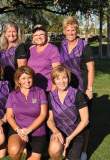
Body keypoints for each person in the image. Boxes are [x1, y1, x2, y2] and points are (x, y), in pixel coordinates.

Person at [60, 16, 95, 160]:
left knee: (83, 121)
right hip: (67, 88)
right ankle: (68, 146)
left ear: (76, 30)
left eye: (73, 30)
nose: (70, 33)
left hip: (82, 88)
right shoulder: (62, 45)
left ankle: (83, 151)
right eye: (68, 30)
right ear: (64, 31)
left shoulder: (84, 46)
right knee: (69, 119)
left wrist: (90, 88)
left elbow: (91, 69)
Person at [47, 65, 89, 160]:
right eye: (58, 79)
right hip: (59, 132)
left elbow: (85, 121)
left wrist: (69, 138)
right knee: (54, 149)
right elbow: (49, 119)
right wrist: (55, 131)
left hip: (75, 135)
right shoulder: (51, 96)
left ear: (68, 79)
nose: (61, 81)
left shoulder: (78, 94)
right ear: (54, 81)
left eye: (64, 78)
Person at [6, 66, 48, 160]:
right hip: (18, 131)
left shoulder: (40, 92)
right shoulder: (12, 95)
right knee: (14, 150)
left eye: (29, 77)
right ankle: (22, 147)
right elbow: (9, 116)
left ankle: (29, 150)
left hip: (37, 132)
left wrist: (28, 130)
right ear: (18, 80)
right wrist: (19, 130)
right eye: (24, 78)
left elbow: (43, 114)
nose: (27, 81)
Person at [27, 24, 61, 92]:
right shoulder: (31, 50)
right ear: (33, 37)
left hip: (48, 90)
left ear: (46, 35)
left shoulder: (53, 49)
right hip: (33, 89)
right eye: (36, 35)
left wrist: (53, 92)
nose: (39, 37)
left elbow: (58, 73)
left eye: (41, 34)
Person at [0, 21, 29, 87]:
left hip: (16, 84)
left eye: (14, 32)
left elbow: (22, 70)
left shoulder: (21, 47)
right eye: (9, 32)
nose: (11, 34)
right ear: (5, 33)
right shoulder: (3, 48)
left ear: (18, 33)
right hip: (6, 83)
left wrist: (18, 86)